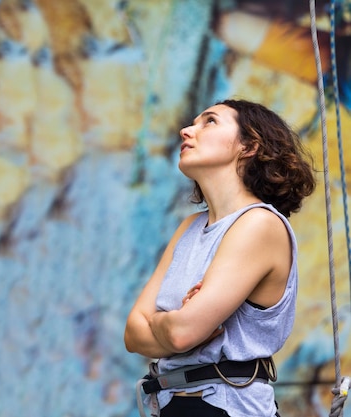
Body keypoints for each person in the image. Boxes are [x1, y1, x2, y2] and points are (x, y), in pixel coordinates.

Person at [124, 99, 316, 417]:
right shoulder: (190, 226)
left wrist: (160, 323)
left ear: (250, 146)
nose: (187, 130)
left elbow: (181, 333)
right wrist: (175, 324)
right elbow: (133, 333)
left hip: (225, 405)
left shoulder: (260, 223)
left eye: (209, 121)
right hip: (174, 403)